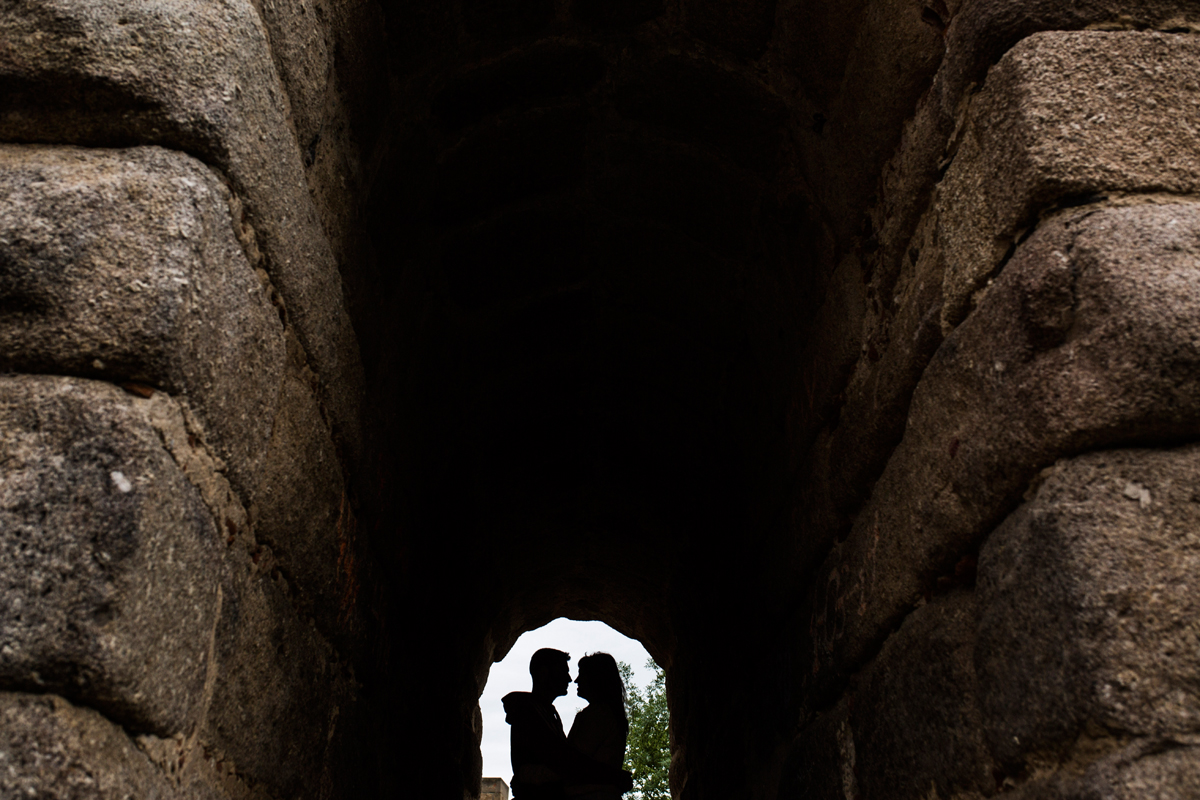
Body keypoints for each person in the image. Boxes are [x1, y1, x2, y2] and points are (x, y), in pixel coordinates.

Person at [503, 649, 632, 800]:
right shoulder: (529, 713)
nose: (572, 679)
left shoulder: (545, 714)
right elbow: (569, 764)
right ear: (544, 673)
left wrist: (525, 776)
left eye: (581, 674)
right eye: (563, 671)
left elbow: (570, 763)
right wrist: (613, 776)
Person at [565, 652, 629, 800]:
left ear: (595, 679)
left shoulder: (597, 715)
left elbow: (572, 762)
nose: (576, 680)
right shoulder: (609, 714)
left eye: (582, 675)